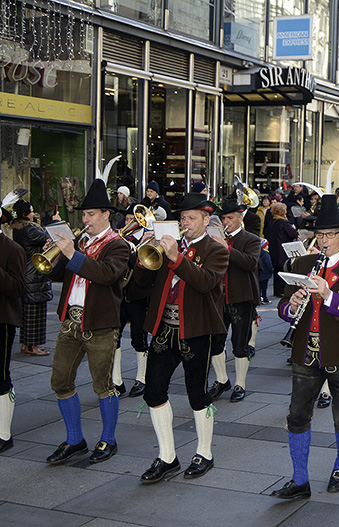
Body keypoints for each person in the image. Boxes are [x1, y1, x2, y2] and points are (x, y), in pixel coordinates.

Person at [272, 194, 339, 499]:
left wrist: (329, 296)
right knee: (297, 416)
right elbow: (282, 305)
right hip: (305, 352)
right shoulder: (302, 263)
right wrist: (292, 304)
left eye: (330, 235)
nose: (324, 240)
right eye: (319, 235)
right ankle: (300, 479)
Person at [134, 192, 229, 483]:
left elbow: (204, 283)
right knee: (153, 392)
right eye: (182, 218)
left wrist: (175, 257)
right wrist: (143, 254)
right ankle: (167, 457)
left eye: (191, 218)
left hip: (197, 330)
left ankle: (204, 452)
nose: (185, 223)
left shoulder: (217, 249)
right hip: (165, 328)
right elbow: (139, 285)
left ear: (205, 220)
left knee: (197, 395)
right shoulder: (167, 247)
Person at [46, 178, 130, 465]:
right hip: (71, 320)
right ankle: (74, 440)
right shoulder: (81, 241)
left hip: (100, 323)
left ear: (106, 214)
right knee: (60, 381)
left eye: (91, 214)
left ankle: (109, 439)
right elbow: (61, 277)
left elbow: (106, 274)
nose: (85, 219)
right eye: (83, 215)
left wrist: (71, 253)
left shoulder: (119, 245)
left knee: (103, 384)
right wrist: (55, 256)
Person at [208, 198, 261, 403]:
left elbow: (250, 263)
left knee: (240, 344)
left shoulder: (251, 239)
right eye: (223, 218)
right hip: (218, 298)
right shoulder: (214, 238)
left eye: (230, 218)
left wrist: (226, 248)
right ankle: (222, 380)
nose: (225, 221)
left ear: (240, 218)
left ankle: (240, 383)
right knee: (216, 343)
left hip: (242, 298)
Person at [115, 203, 152, 398]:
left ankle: (142, 378)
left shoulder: (147, 239)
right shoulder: (119, 238)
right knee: (115, 337)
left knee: (139, 338)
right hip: (119, 295)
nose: (130, 223)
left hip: (139, 295)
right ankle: (116, 381)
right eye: (128, 219)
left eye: (134, 219)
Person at [10, 199, 53, 356]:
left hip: (26, 273)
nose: (34, 213)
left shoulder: (19, 229)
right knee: (36, 314)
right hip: (34, 275)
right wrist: (54, 222)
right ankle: (32, 347)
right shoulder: (30, 229)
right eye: (31, 211)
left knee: (28, 313)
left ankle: (25, 345)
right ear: (24, 214)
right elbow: (49, 237)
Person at [0, 205, 25, 453]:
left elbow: (18, 288)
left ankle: (4, 434)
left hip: (2, 321)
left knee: (0, 376)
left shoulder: (13, 249)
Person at [267, 202, 299, 297]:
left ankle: (277, 291)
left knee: (277, 270)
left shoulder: (272, 222)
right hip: (283, 249)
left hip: (274, 248)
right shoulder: (283, 222)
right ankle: (282, 291)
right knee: (284, 269)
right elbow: (293, 233)